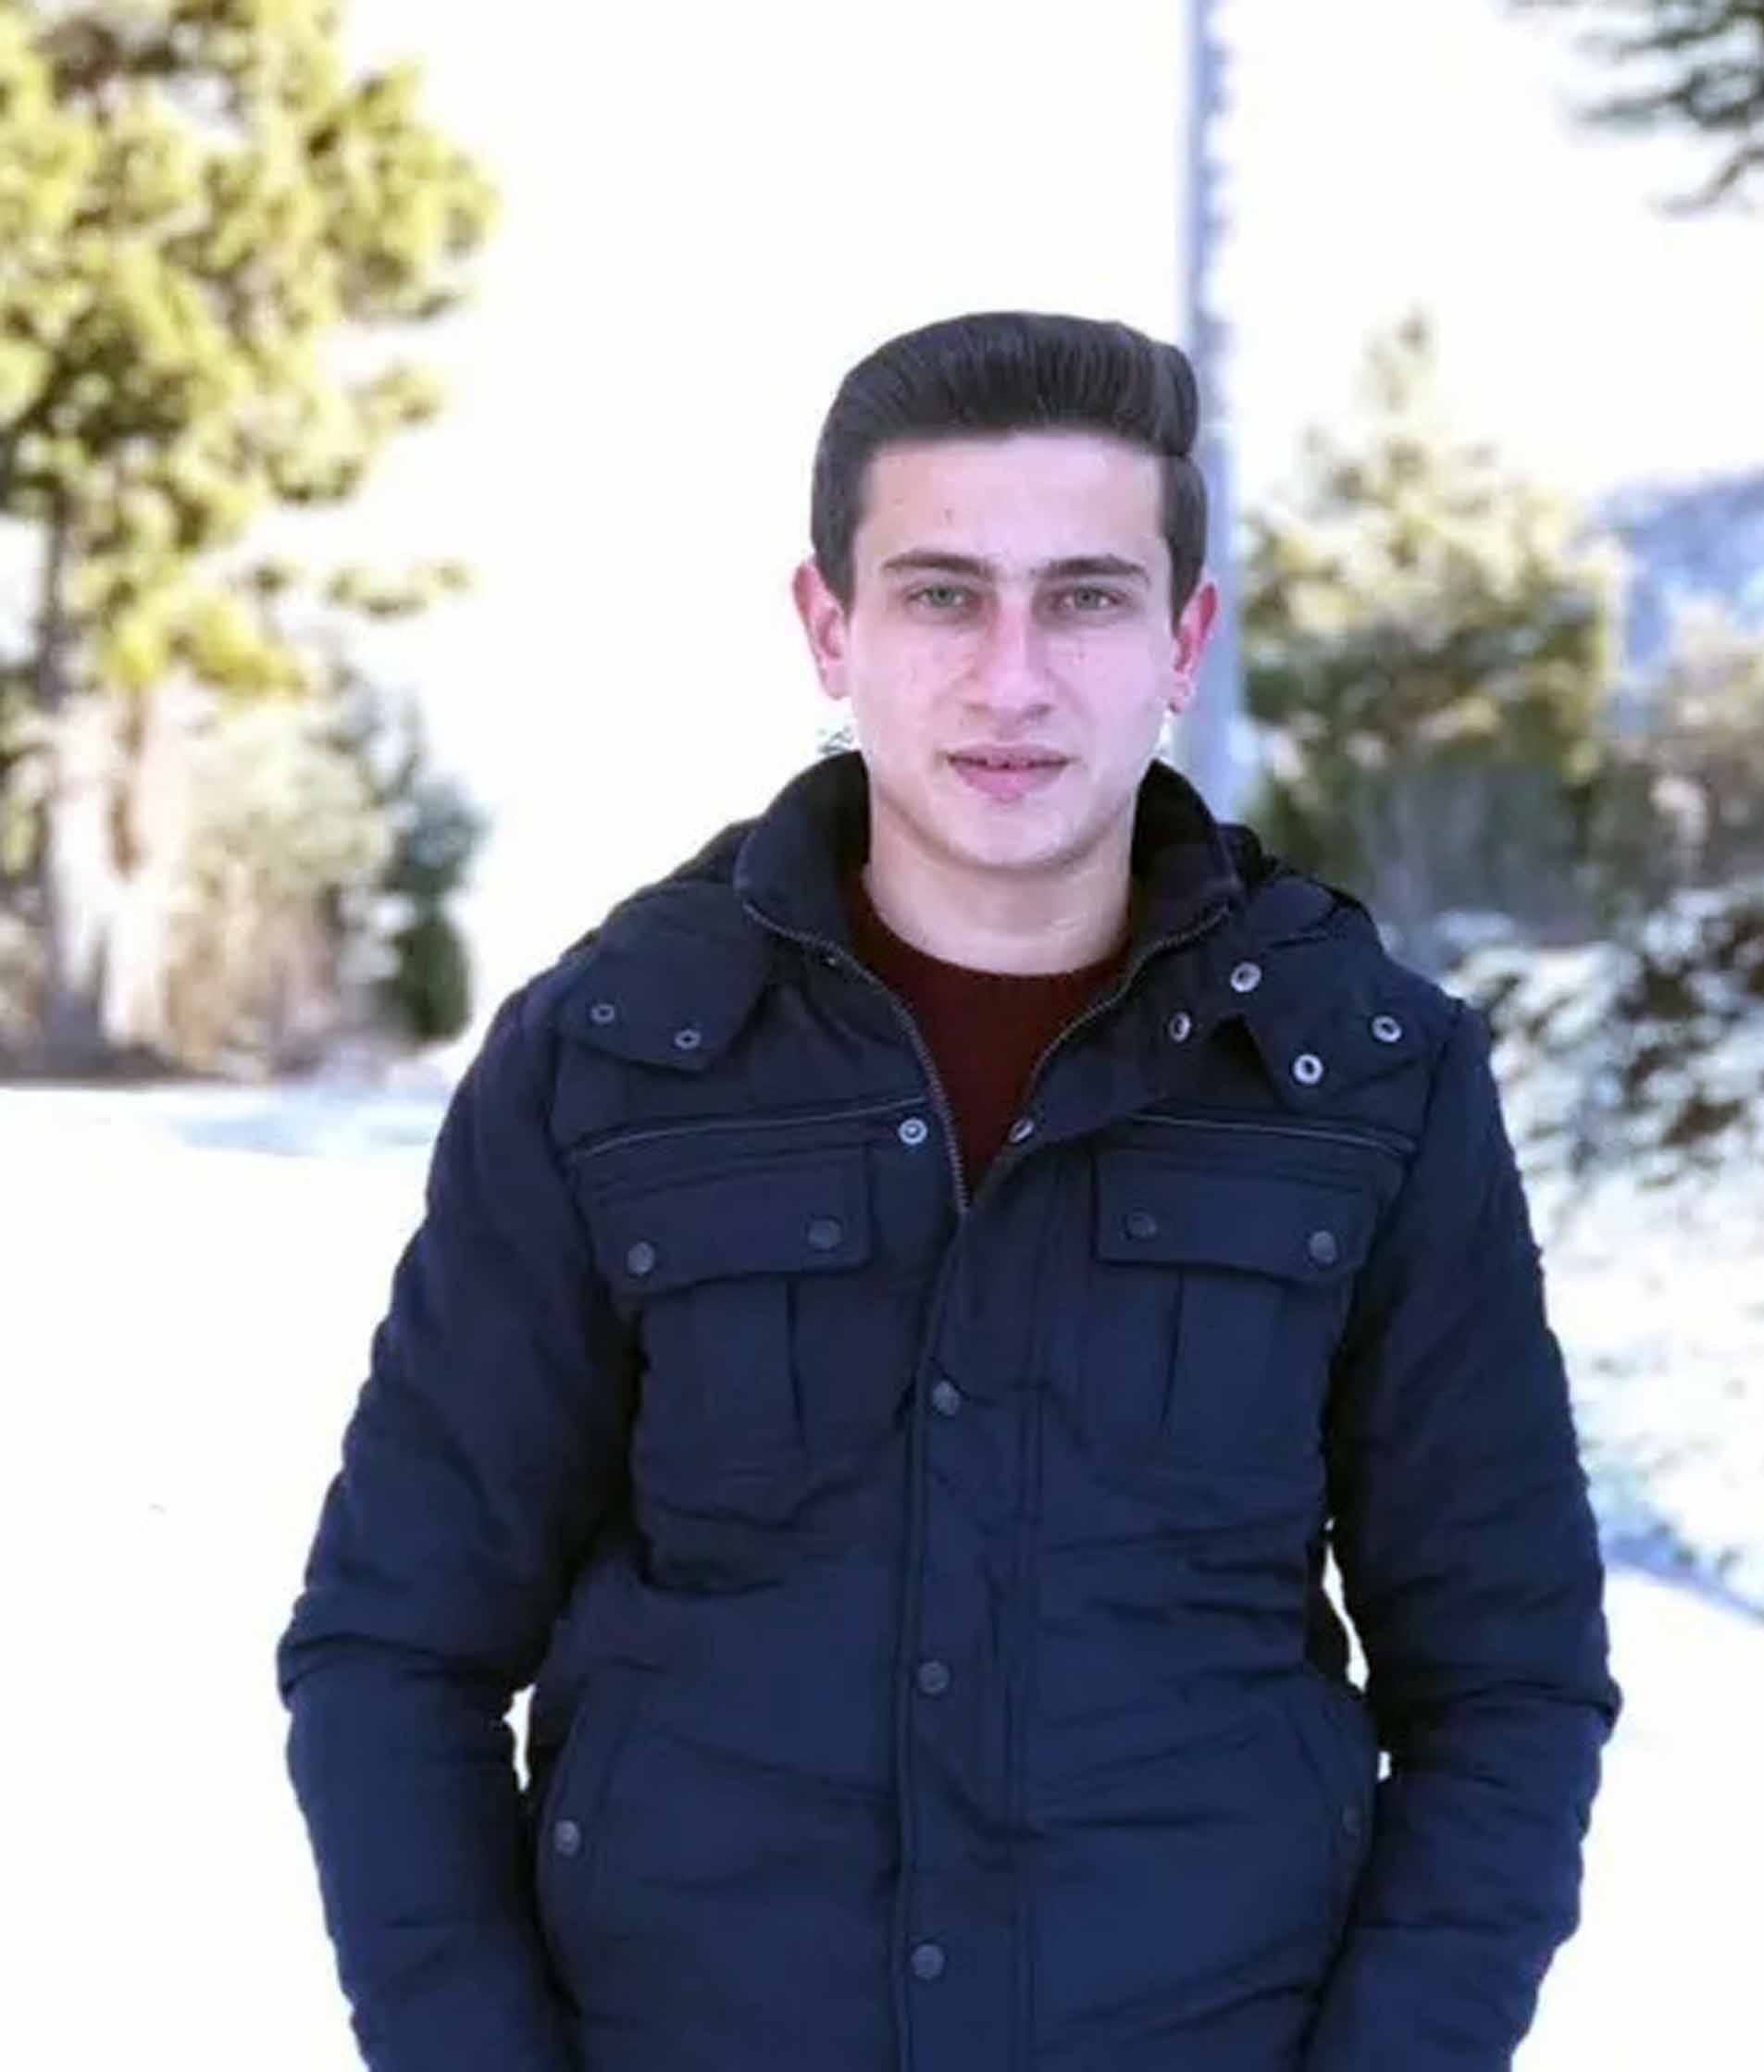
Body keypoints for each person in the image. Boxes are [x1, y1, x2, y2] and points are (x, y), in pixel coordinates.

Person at [277, 310, 1621, 2072]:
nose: (1012, 677)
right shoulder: (604, 1062)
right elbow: (395, 1654)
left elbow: (1507, 1681)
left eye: (1085, 597)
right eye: (940, 595)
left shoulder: (1365, 1077)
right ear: (829, 626)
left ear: (1183, 639)